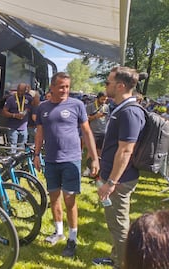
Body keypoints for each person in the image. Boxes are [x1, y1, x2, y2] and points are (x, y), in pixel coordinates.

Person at [33, 72, 99, 258]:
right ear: (52, 87)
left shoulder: (77, 105)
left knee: (70, 200)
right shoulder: (43, 107)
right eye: (61, 86)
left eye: (67, 87)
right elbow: (40, 133)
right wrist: (37, 154)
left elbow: (87, 132)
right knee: (53, 197)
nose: (65, 90)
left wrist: (94, 157)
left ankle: (72, 238)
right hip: (51, 160)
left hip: (71, 159)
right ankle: (58, 232)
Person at [93, 66, 146, 269]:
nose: (105, 86)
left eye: (108, 83)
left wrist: (111, 182)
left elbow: (125, 151)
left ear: (121, 85)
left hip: (120, 181)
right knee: (116, 223)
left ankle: (124, 264)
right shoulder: (121, 109)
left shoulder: (130, 112)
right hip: (114, 178)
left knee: (119, 225)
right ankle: (117, 258)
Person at [83, 92, 110, 176]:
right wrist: (96, 116)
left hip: (103, 131)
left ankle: (97, 169)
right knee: (91, 151)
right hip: (93, 131)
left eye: (105, 100)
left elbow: (107, 118)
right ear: (98, 98)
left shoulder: (106, 107)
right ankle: (88, 168)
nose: (104, 101)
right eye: (102, 99)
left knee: (100, 151)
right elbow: (85, 119)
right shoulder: (90, 106)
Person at [2, 83, 33, 149]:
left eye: (22, 91)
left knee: (22, 150)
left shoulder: (28, 99)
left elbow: (36, 102)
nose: (20, 92)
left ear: (25, 91)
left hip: (24, 128)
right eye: (19, 90)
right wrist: (14, 115)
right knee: (13, 149)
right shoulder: (11, 99)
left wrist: (26, 111)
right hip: (13, 128)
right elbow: (4, 112)